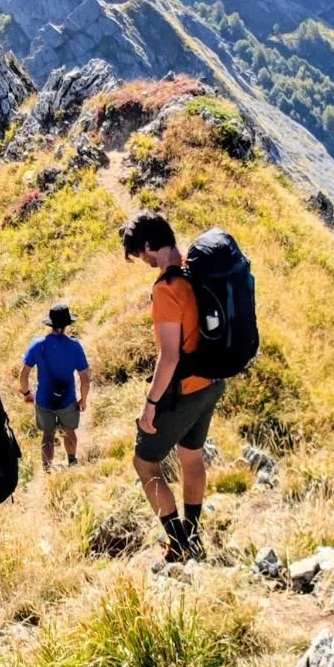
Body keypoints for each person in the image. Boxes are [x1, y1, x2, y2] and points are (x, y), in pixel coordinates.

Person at [121, 210, 223, 561]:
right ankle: (192, 535)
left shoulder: (167, 289)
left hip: (185, 390)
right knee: (191, 456)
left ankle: (178, 541)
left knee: (144, 462)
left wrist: (150, 403)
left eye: (140, 254)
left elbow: (169, 358)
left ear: (148, 246)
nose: (142, 261)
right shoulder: (197, 272)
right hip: (212, 382)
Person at [19, 303, 92, 472]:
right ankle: (72, 462)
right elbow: (85, 379)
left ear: (50, 323)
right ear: (67, 324)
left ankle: (47, 469)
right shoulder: (74, 346)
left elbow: (23, 375)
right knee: (69, 431)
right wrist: (84, 400)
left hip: (44, 399)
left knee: (48, 435)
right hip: (67, 400)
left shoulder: (38, 345)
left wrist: (27, 393)